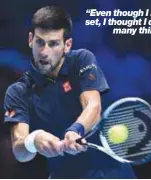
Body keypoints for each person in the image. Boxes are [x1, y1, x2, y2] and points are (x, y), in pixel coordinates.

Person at [3, 6, 136, 178]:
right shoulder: (18, 91)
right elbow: (19, 151)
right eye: (40, 42)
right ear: (30, 40)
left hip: (112, 172)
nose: (44, 52)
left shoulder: (81, 60)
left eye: (53, 44)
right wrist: (33, 140)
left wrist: (75, 130)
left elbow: (93, 105)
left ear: (67, 45)